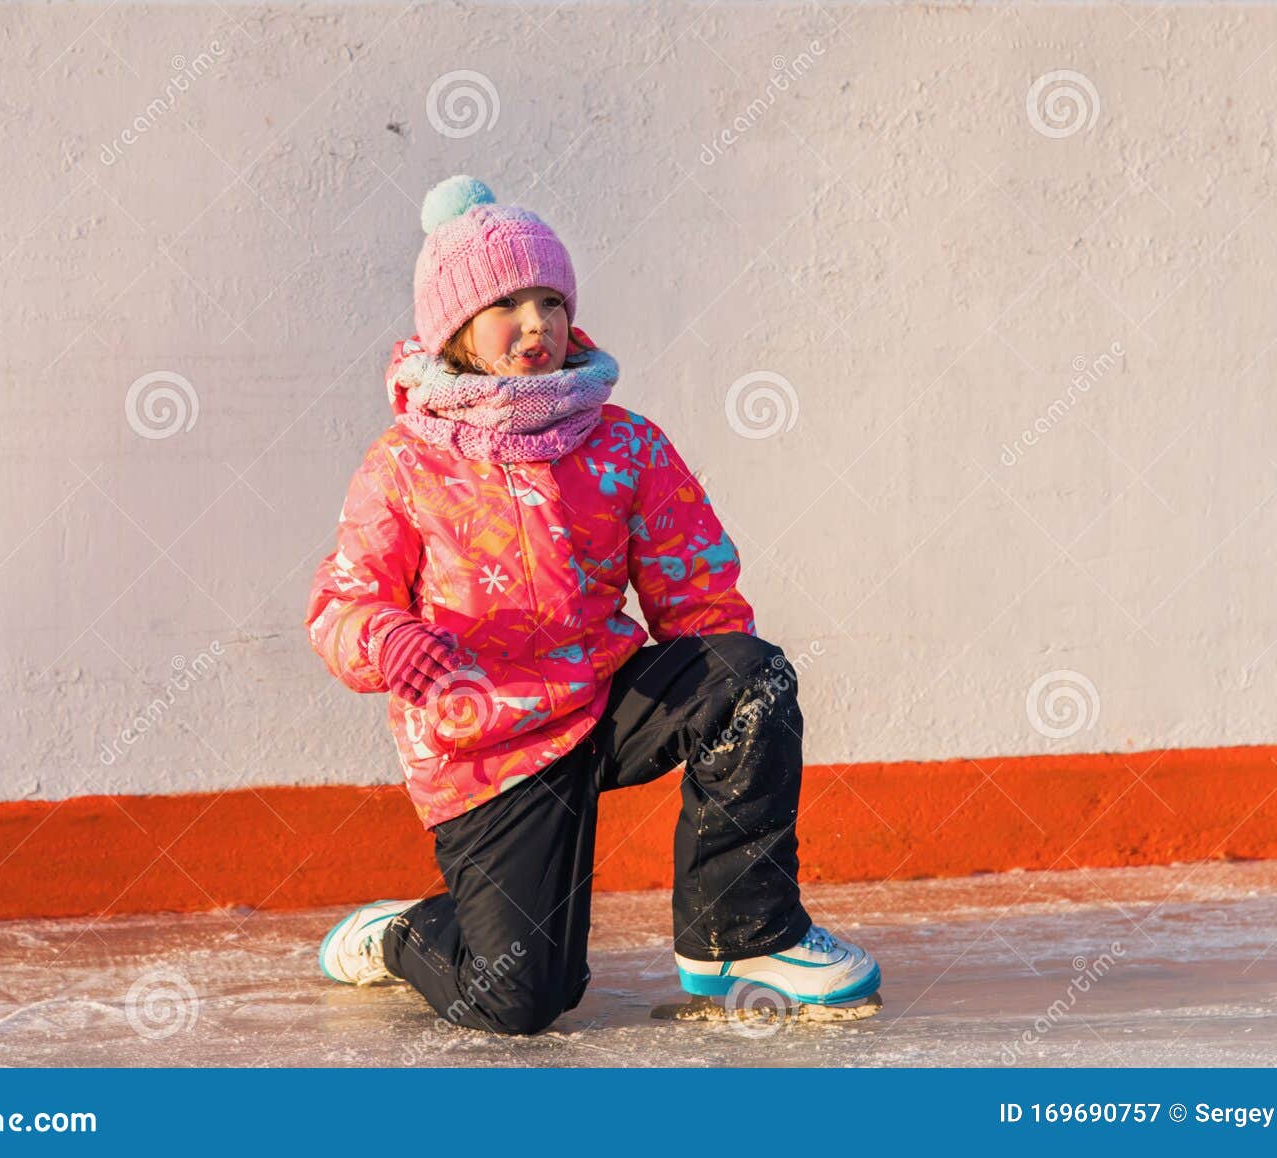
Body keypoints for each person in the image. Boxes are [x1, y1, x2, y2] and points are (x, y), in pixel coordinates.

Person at [303, 175, 879, 1036]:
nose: (537, 324)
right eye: (507, 304)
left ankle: (741, 935)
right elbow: (341, 602)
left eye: (551, 301)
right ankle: (400, 935)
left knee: (750, 678)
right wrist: (381, 635)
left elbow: (699, 593)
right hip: (488, 745)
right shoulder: (406, 464)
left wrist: (722, 688)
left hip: (603, 699)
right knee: (519, 1000)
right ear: (453, 328)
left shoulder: (621, 442)